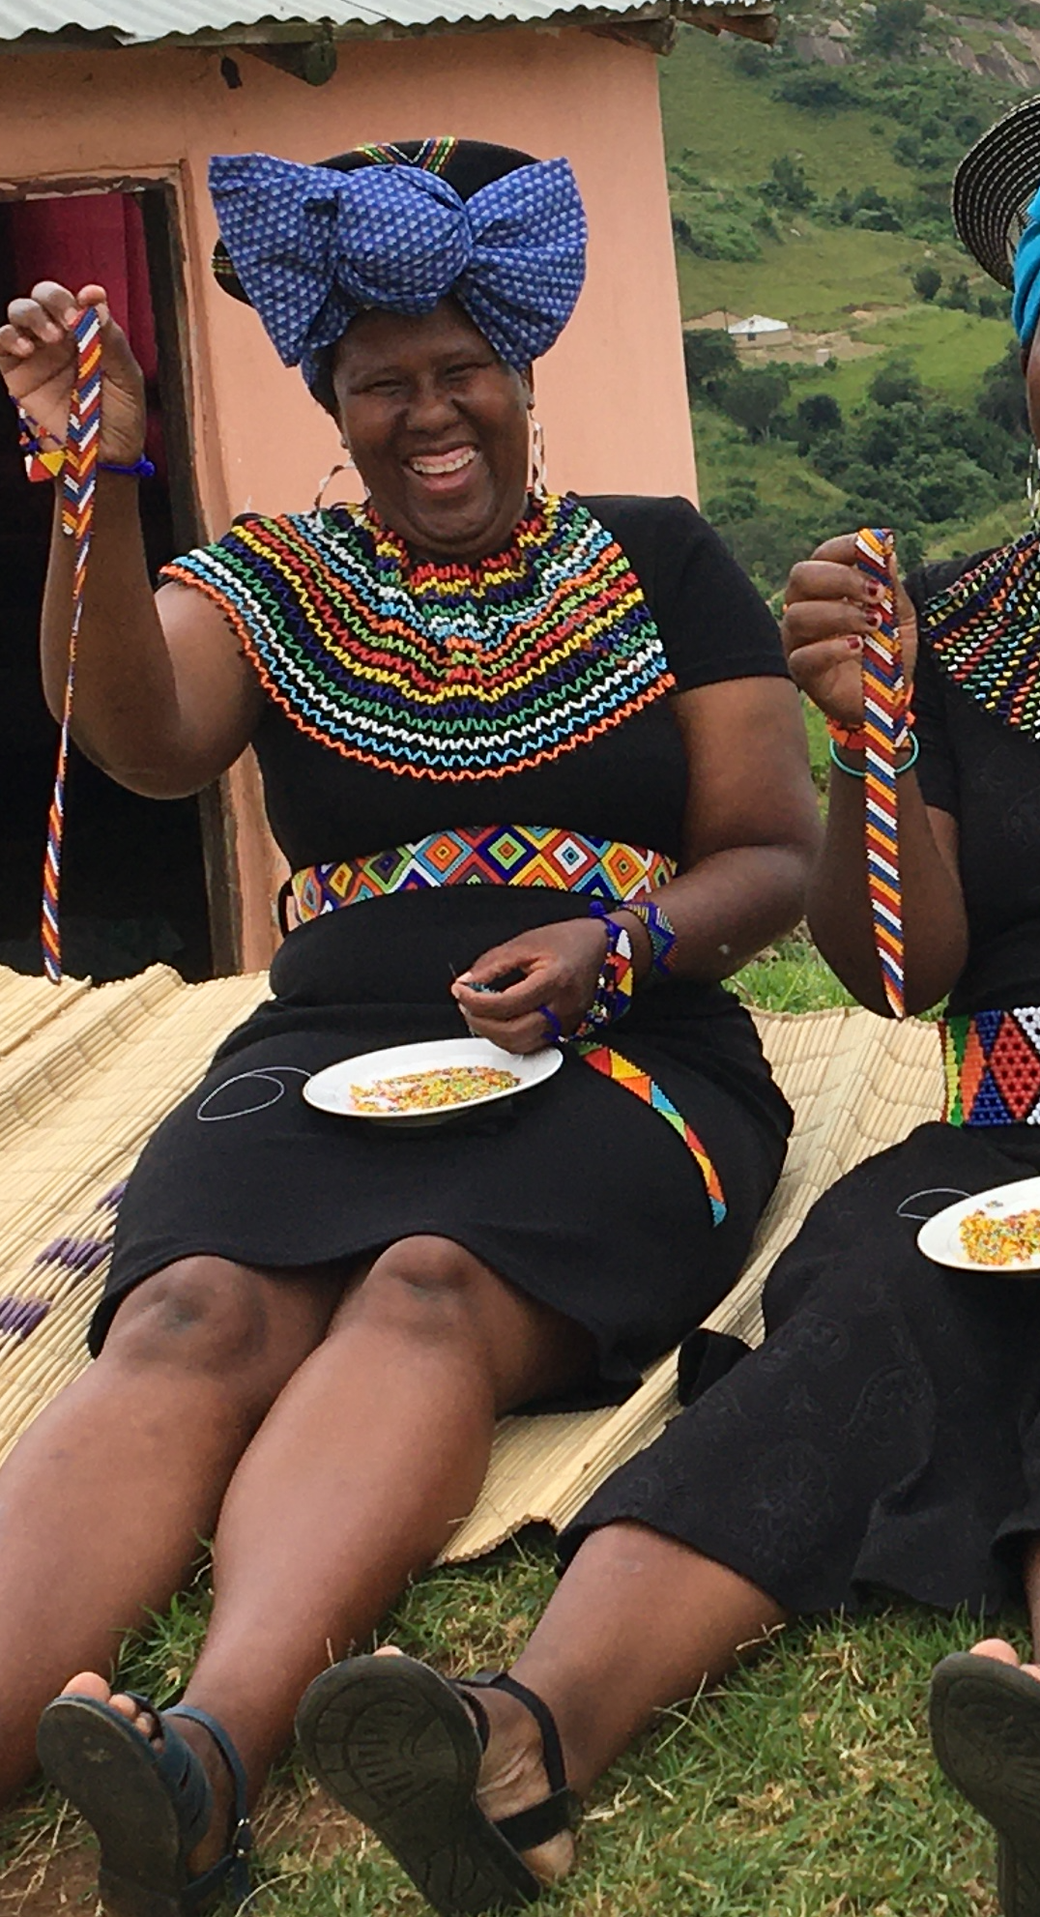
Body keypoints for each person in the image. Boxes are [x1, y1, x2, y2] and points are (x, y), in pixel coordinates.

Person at [294, 77, 1040, 1917]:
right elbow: (901, 969)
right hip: (1006, 1138)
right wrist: (869, 743)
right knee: (854, 1325)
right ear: (1026, 357)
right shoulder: (952, 617)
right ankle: (521, 1741)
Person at [0, 135, 819, 1916]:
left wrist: (622, 942)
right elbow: (139, 739)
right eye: (386, 384)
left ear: (523, 381)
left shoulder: (663, 562)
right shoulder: (276, 575)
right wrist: (106, 478)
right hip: (318, 1060)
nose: (431, 413)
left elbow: (775, 853)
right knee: (194, 1311)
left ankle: (202, 1758)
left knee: (427, 1285)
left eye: (464, 373)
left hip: (627, 1056)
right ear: (335, 400)